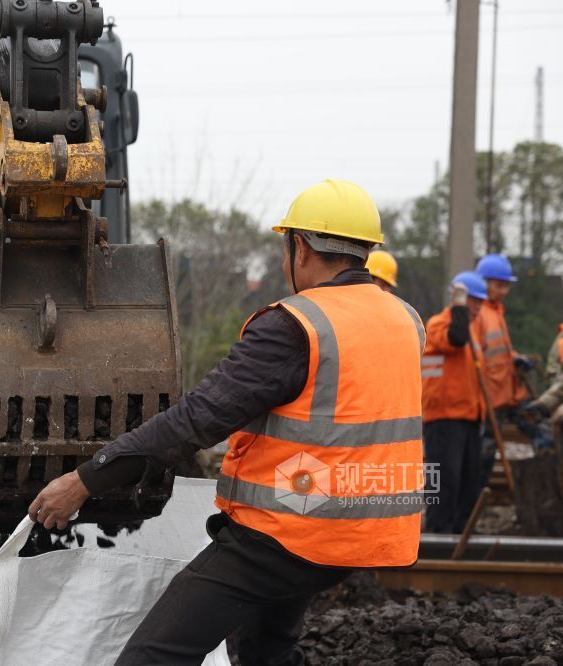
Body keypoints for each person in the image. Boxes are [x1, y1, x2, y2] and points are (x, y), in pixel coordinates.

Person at [29, 179, 425, 665]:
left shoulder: (295, 326)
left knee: (152, 657)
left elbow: (196, 420)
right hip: (372, 531)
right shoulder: (406, 319)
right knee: (265, 651)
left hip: (291, 534)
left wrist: (87, 479)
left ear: (298, 246)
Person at [473, 254, 553, 471]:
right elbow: (476, 359)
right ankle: (479, 498)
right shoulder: (479, 313)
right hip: (492, 398)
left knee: (543, 429)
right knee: (484, 455)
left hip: (510, 393)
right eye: (500, 285)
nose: (505, 291)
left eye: (506, 286)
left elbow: (500, 351)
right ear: (484, 283)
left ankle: (545, 481)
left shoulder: (496, 312)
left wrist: (516, 358)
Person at [421, 271, 486, 533]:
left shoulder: (471, 332)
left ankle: (460, 535)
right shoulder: (439, 324)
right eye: (472, 300)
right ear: (458, 299)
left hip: (469, 419)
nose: (477, 307)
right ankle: (438, 535)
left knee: (468, 484)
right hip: (444, 419)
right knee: (446, 483)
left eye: (481, 302)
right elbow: (456, 338)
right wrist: (458, 307)